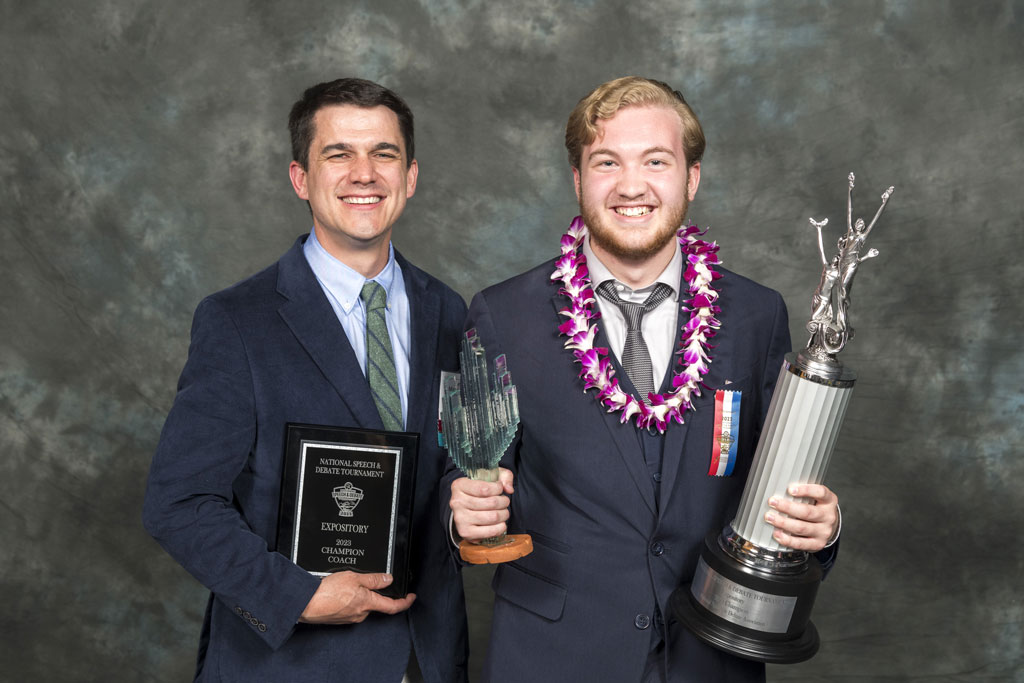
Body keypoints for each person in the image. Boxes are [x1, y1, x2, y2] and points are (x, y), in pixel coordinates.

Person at [447, 77, 840, 682]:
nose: (632, 186)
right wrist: (462, 511)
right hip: (554, 657)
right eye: (607, 162)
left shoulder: (757, 315)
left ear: (692, 177)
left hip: (711, 655)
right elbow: (464, 472)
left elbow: (780, 481)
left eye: (656, 161)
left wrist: (821, 528)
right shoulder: (505, 314)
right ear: (578, 180)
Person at [143, 78, 468, 683]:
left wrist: (466, 503)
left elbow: (451, 469)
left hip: (424, 658)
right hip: (290, 664)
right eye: (338, 154)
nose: (363, 174)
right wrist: (296, 595)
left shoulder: (449, 312)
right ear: (301, 179)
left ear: (412, 177)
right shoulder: (238, 321)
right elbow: (178, 503)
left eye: (384, 154)